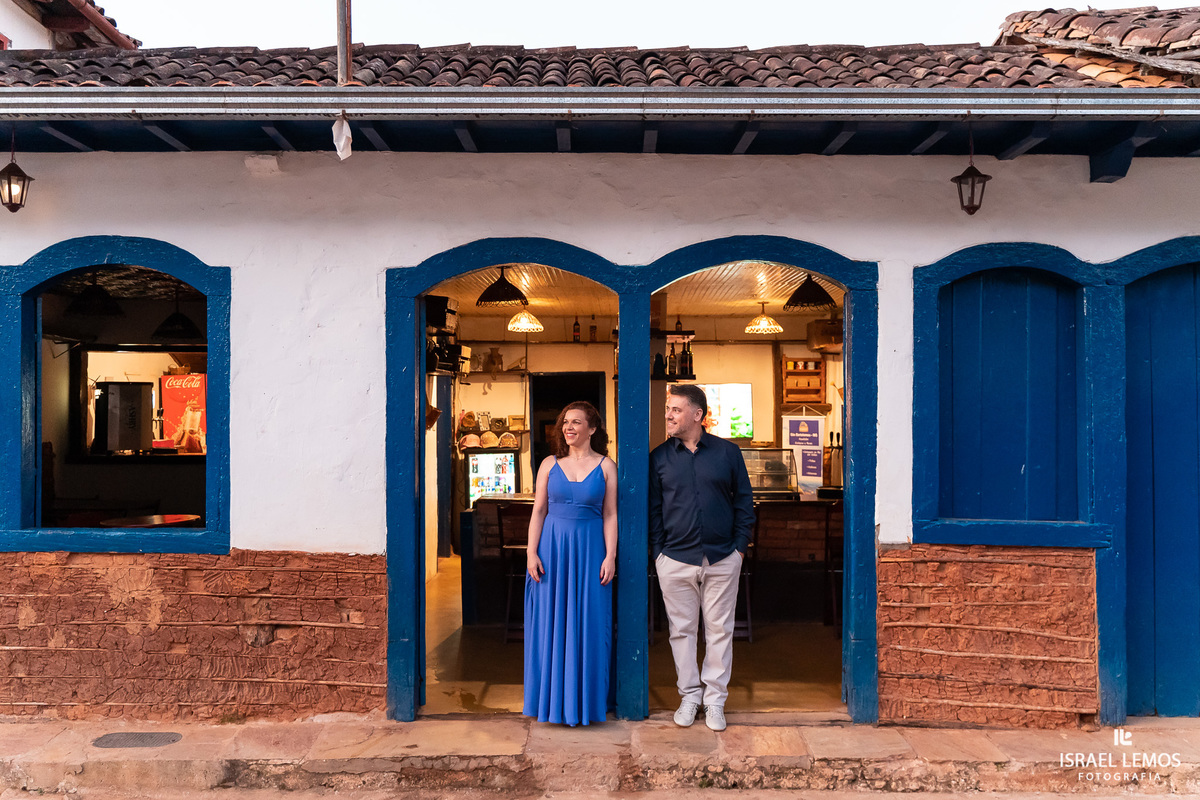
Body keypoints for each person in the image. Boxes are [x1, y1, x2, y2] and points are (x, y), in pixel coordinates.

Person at [649, 384, 755, 732]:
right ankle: (689, 696)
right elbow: (653, 511)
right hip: (675, 558)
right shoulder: (659, 458)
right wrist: (659, 554)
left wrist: (739, 548)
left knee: (719, 631)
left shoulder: (727, 453)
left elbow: (743, 504)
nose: (668, 415)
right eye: (668, 409)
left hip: (722, 557)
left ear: (698, 415)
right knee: (681, 632)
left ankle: (715, 702)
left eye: (676, 409)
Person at [523, 401, 618, 725]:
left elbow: (610, 514)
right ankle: (552, 703)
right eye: (565, 422)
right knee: (551, 623)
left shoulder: (607, 466)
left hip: (590, 551)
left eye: (576, 422)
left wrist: (610, 555)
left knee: (590, 623)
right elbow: (538, 511)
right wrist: (531, 552)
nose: (568, 427)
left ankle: (586, 703)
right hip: (552, 551)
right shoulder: (549, 464)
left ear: (592, 429)